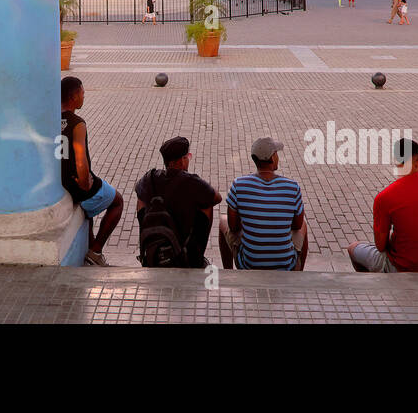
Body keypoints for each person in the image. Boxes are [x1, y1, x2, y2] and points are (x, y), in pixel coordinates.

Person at [346, 139, 418, 273]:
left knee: (353, 248)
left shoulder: (384, 197)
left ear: (397, 162)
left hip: (406, 267)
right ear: (417, 161)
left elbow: (380, 246)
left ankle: (375, 286)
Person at [60, 76, 123, 266]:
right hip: (75, 183)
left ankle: (90, 248)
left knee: (87, 212)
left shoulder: (48, 119)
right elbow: (81, 158)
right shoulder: (78, 123)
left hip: (58, 180)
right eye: (82, 93)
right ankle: (95, 251)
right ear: (74, 96)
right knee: (117, 201)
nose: (84, 97)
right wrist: (85, 182)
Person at [219, 136, 308, 271]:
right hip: (285, 265)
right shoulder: (292, 186)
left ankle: (228, 271)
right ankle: (298, 271)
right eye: (276, 153)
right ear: (272, 157)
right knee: (304, 226)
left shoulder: (239, 184)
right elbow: (296, 225)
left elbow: (234, 227)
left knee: (222, 220)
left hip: (248, 264)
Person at [135, 136, 221, 268]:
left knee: (141, 198)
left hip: (156, 242)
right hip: (182, 245)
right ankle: (196, 257)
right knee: (206, 205)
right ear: (181, 161)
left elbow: (138, 190)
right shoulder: (191, 182)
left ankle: (147, 251)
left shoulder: (150, 178)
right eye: (188, 157)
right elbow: (216, 198)